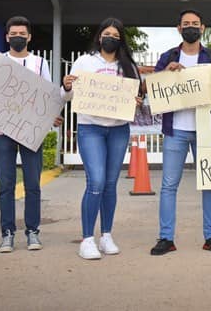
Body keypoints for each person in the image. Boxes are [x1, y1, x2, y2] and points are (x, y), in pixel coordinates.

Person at [61, 18, 143, 260]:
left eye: (116, 35)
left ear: (121, 40)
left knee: (110, 183)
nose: (111, 38)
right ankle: (87, 239)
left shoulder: (128, 66)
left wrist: (136, 103)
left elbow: (135, 101)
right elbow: (67, 97)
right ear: (99, 37)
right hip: (91, 128)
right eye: (107, 33)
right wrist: (66, 87)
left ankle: (106, 235)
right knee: (95, 181)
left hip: (118, 130)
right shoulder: (84, 62)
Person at [150, 9, 211, 256]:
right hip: (176, 130)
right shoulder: (168, 56)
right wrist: (164, 74)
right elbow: (153, 89)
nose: (191, 27)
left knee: (210, 184)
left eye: (195, 23)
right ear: (179, 28)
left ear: (203, 28)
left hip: (206, 132)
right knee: (168, 185)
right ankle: (166, 238)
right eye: (187, 24)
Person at [0, 16, 52, 253]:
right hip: (2, 130)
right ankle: (7, 233)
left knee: (33, 184)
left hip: (30, 130)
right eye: (13, 33)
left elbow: (47, 95)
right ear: (7, 37)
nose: (18, 37)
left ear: (29, 37)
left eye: (22, 33)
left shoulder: (39, 62)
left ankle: (33, 231)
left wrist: (49, 116)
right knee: (6, 184)